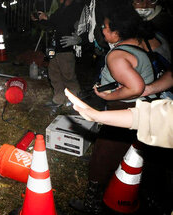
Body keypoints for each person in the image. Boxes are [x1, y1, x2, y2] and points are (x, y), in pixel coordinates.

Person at [68, 2, 157, 214]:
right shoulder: (146, 41)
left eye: (106, 27)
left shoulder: (116, 55)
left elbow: (136, 86)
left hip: (125, 108)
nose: (102, 29)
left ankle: (92, 205)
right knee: (137, 154)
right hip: (150, 108)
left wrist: (108, 95)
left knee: (102, 155)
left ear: (117, 33)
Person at [31, 0, 83, 107]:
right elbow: (52, 23)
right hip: (57, 47)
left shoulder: (77, 8)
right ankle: (59, 98)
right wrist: (41, 19)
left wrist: (81, 39)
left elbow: (80, 27)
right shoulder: (61, 8)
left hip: (67, 48)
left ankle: (75, 102)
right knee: (54, 73)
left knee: (68, 76)